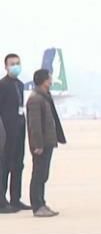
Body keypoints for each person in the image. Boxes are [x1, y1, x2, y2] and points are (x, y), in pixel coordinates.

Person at [26, 69, 66, 218]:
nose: (51, 80)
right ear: (44, 80)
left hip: (47, 142)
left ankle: (41, 202)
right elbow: (34, 125)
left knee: (43, 174)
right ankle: (37, 206)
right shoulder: (36, 99)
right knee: (38, 174)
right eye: (49, 78)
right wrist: (38, 145)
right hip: (40, 145)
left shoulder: (45, 97)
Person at [0, 54, 29, 213]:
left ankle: (15, 199)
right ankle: (1, 202)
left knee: (18, 165)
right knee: (4, 167)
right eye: (12, 64)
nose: (15, 66)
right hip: (6, 132)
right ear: (6, 66)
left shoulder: (19, 84)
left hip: (19, 130)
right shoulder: (2, 85)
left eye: (18, 63)